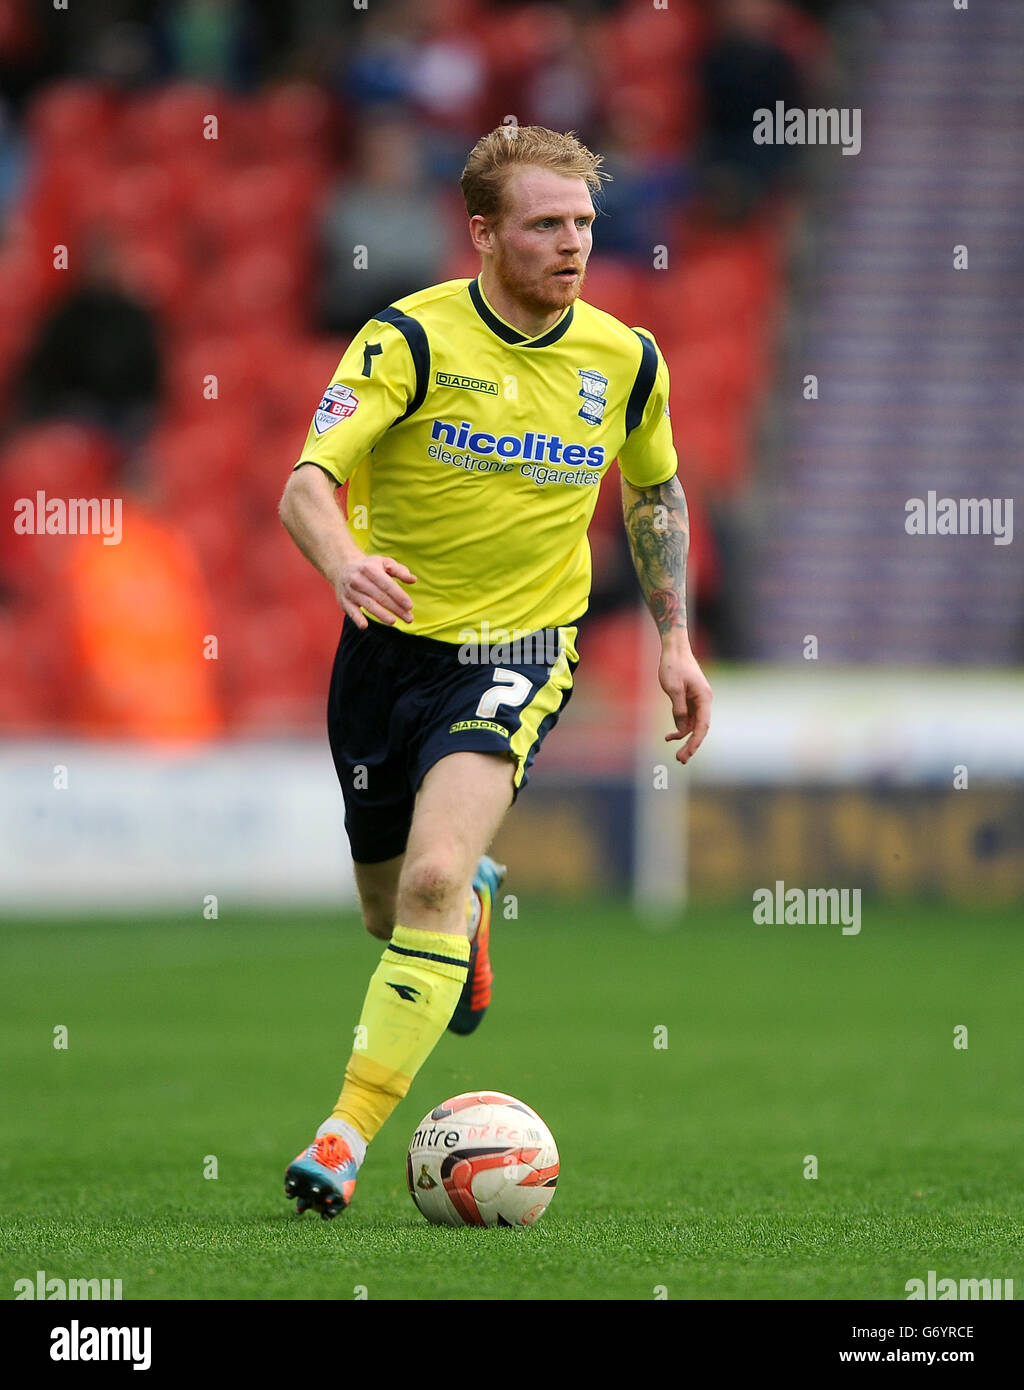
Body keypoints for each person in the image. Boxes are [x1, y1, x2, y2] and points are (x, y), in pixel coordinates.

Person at [277, 124, 712, 1217]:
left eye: (582, 224)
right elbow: (305, 485)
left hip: (517, 653)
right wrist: (346, 561)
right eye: (544, 224)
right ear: (481, 232)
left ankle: (342, 1137)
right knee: (395, 913)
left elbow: (653, 494)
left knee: (424, 877)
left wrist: (673, 637)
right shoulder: (408, 340)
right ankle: (463, 915)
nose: (572, 245)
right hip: (385, 652)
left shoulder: (626, 358)